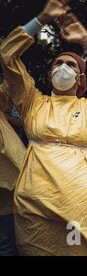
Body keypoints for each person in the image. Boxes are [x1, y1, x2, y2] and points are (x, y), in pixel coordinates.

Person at [0, 0, 87, 255]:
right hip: (36, 204)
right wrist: (43, 18)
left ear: (81, 79)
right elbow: (7, 55)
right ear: (49, 75)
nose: (64, 68)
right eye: (59, 63)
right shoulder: (32, 101)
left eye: (72, 66)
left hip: (82, 203)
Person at [0, 81, 26, 256]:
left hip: (7, 169)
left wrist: (3, 115)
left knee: (6, 239)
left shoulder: (6, 96)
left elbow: (22, 123)